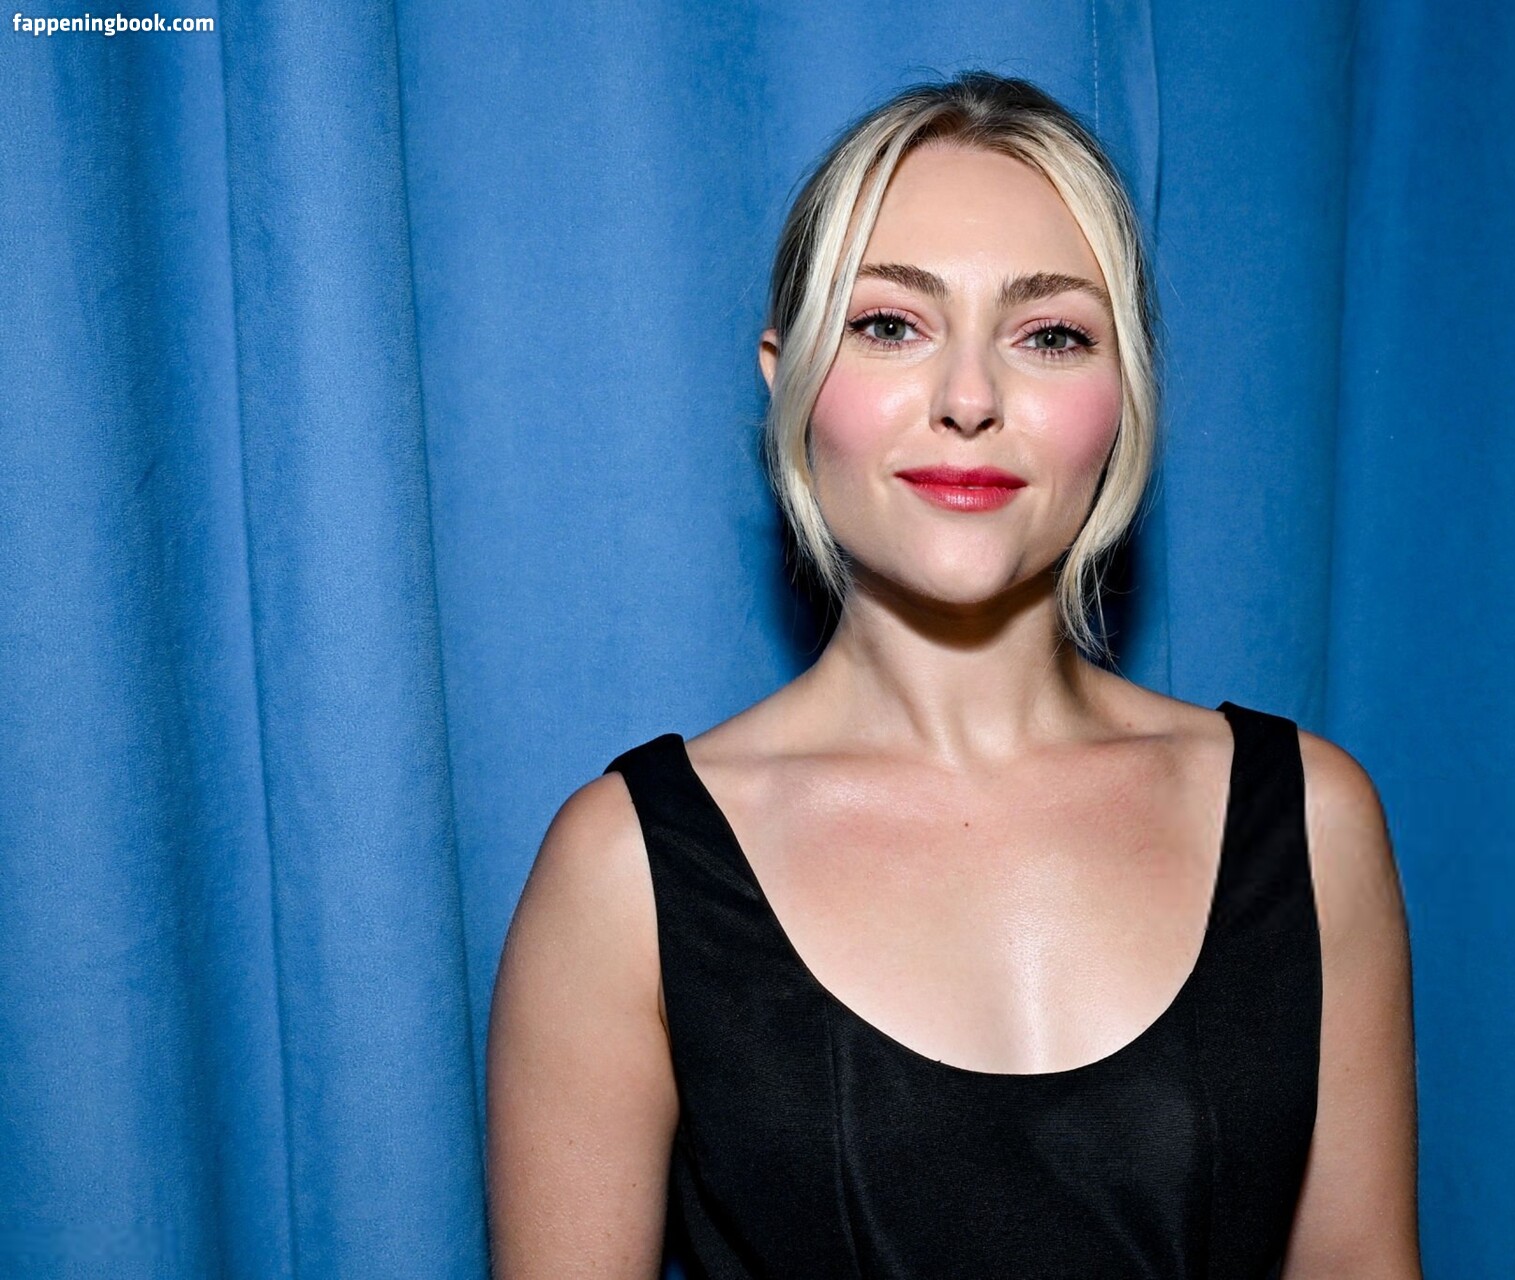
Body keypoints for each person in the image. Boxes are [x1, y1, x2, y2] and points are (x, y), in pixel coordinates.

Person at [486, 71, 1420, 1278]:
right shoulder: (623, 871)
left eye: (1050, 335)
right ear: (787, 372)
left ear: (1124, 394)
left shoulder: (1310, 823)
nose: (969, 399)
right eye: (890, 324)